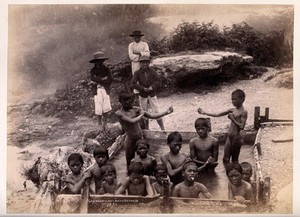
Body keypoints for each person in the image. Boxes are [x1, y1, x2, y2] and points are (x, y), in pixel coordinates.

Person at [116, 91, 173, 167]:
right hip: (130, 140)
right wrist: (141, 115)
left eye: (132, 101)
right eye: (129, 101)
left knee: (145, 158)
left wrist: (166, 112)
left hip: (140, 138)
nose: (131, 103)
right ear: (122, 102)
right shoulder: (119, 113)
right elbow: (132, 121)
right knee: (129, 162)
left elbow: (152, 116)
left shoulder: (135, 109)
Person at [198, 89, 248, 165]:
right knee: (225, 159)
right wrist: (204, 112)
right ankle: (227, 174)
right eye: (232, 99)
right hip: (229, 137)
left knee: (234, 160)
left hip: (237, 138)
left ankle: (234, 174)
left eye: (234, 99)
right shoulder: (232, 110)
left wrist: (232, 119)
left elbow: (242, 126)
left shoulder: (243, 112)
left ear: (242, 99)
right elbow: (218, 114)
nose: (233, 101)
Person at [131, 55, 165, 130]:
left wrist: (152, 87)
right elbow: (133, 83)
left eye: (146, 62)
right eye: (143, 63)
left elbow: (158, 80)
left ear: (149, 63)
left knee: (156, 111)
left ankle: (163, 129)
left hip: (152, 94)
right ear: (140, 63)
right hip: (143, 95)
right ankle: (147, 129)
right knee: (144, 113)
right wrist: (142, 88)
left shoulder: (152, 71)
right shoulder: (137, 73)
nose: (144, 64)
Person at [89, 51, 113, 132]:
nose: (99, 62)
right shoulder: (93, 70)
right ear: (95, 62)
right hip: (97, 90)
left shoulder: (106, 69)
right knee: (98, 106)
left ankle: (105, 123)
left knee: (106, 106)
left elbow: (110, 79)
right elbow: (93, 78)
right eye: (97, 61)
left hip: (105, 90)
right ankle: (99, 123)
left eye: (101, 60)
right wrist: (103, 79)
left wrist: (98, 80)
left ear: (103, 61)